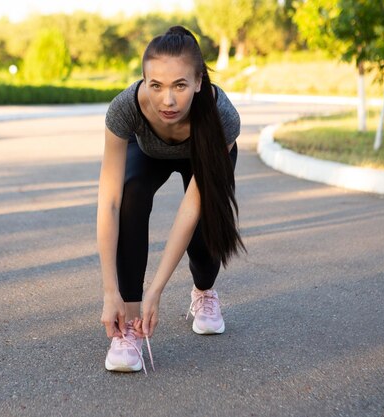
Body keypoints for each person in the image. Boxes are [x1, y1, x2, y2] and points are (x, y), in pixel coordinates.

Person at [97, 25, 245, 373]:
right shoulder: (124, 109)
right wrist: (110, 291)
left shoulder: (222, 116)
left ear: (197, 81)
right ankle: (129, 325)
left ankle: (204, 292)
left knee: (206, 222)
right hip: (147, 152)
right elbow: (109, 203)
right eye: (156, 85)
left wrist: (157, 290)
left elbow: (190, 208)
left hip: (202, 152)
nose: (167, 100)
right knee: (131, 194)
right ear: (143, 80)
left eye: (179, 85)